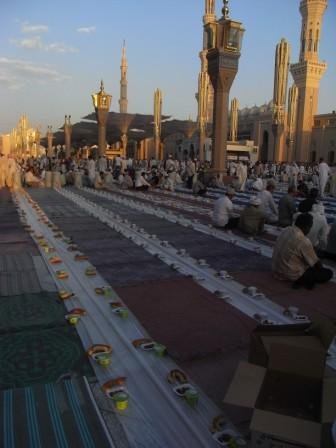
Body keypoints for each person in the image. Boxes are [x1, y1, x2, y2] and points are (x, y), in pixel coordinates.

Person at [272, 213, 333, 290]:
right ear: (306, 226)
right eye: (310, 227)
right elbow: (316, 264)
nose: (310, 230)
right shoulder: (303, 240)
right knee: (328, 273)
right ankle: (302, 280)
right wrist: (320, 269)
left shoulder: (286, 230)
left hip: (275, 270)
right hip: (288, 274)